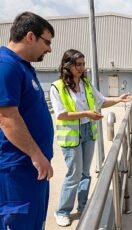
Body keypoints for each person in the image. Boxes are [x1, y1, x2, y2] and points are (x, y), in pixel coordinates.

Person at [50, 49, 132, 227]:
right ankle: (62, 211)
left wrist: (119, 99)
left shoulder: (86, 84)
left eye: (83, 64)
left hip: (88, 131)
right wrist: (86, 113)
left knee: (85, 174)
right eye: (77, 64)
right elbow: (61, 115)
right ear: (68, 66)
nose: (81, 68)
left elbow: (101, 101)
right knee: (74, 175)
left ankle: (82, 206)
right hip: (71, 135)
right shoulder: (57, 87)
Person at [0, 12, 55, 230]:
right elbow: (7, 119)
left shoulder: (22, 67)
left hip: (33, 167)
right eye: (47, 42)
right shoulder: (6, 66)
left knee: (34, 222)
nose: (49, 49)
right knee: (20, 223)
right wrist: (35, 154)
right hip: (19, 169)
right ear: (30, 37)